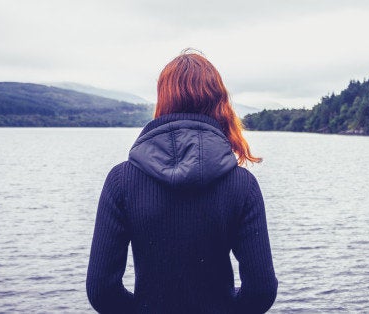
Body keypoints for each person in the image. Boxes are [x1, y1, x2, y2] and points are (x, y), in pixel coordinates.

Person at [86, 49, 278, 313]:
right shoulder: (242, 184)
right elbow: (261, 290)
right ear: (218, 102)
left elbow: (101, 291)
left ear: (163, 101)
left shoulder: (121, 181)